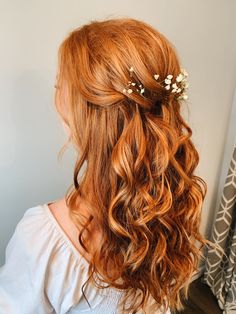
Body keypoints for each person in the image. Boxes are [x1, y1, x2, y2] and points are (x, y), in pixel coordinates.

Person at [0, 17, 214, 314]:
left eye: (60, 86)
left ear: (84, 118)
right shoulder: (168, 202)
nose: (55, 97)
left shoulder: (42, 242)